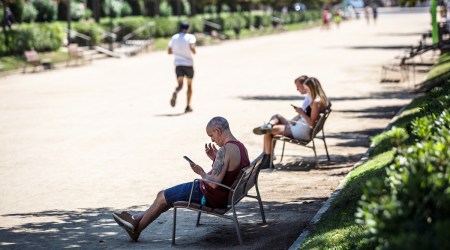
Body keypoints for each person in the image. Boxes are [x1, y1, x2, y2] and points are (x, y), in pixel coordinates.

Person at [112, 116, 250, 242]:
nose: (212, 140)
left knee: (162, 197)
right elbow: (229, 170)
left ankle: (136, 230)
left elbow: (213, 184)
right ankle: (135, 220)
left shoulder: (225, 150)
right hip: (223, 195)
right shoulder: (240, 147)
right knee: (163, 198)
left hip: (208, 195)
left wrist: (200, 172)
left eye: (212, 135)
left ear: (218, 130)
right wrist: (215, 158)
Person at [252, 77, 330, 168]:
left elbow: (311, 122)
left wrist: (301, 113)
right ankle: (267, 158)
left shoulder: (316, 102)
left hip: (301, 131)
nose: (307, 91)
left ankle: (267, 160)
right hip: (302, 127)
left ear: (312, 88)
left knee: (268, 132)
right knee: (271, 125)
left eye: (307, 89)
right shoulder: (320, 100)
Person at [168, 21, 196, 113]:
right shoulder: (190, 37)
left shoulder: (174, 37)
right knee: (189, 86)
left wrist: (178, 51)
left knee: (180, 85)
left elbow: (169, 51)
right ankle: (188, 106)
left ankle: (176, 91)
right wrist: (193, 51)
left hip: (178, 64)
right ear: (188, 28)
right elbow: (192, 48)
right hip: (188, 64)